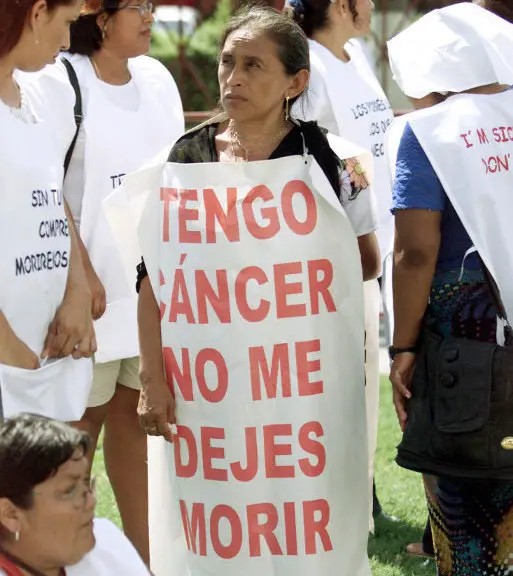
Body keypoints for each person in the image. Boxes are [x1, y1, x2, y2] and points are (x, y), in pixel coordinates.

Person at [128, 5, 378, 574]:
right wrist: (152, 378)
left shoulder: (341, 163)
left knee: (303, 519)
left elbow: (363, 260)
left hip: (300, 391)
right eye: (226, 62)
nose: (233, 78)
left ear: (296, 81)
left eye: (253, 66)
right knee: (220, 523)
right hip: (208, 393)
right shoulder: (184, 158)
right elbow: (153, 278)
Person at [57, 0, 184, 563]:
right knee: (73, 435)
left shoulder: (158, 79)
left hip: (151, 294)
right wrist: (77, 274)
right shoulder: (65, 80)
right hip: (88, 301)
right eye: (138, 6)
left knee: (136, 427)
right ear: (101, 18)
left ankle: (143, 560)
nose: (150, 16)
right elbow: (46, 183)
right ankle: (55, 552)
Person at [388, 4, 513, 574]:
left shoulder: (428, 132)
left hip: (465, 354)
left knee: (468, 521)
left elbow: (415, 252)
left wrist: (403, 348)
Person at [286, 0, 393, 530]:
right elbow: (326, 153)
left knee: (366, 369)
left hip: (382, 231)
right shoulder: (308, 63)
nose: (372, 5)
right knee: (336, 373)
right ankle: (345, 496)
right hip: (341, 240)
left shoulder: (357, 55)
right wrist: (359, 224)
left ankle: (361, 490)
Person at [0, 0, 96, 421]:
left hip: (43, 351)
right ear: (37, 13)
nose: (68, 40)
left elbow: (50, 196)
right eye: (68, 22)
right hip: (12, 358)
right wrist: (6, 346)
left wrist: (76, 291)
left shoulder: (44, 92)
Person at [0, 413, 150, 575]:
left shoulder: (106, 542)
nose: (91, 501)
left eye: (86, 486)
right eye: (69, 491)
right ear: (11, 514)